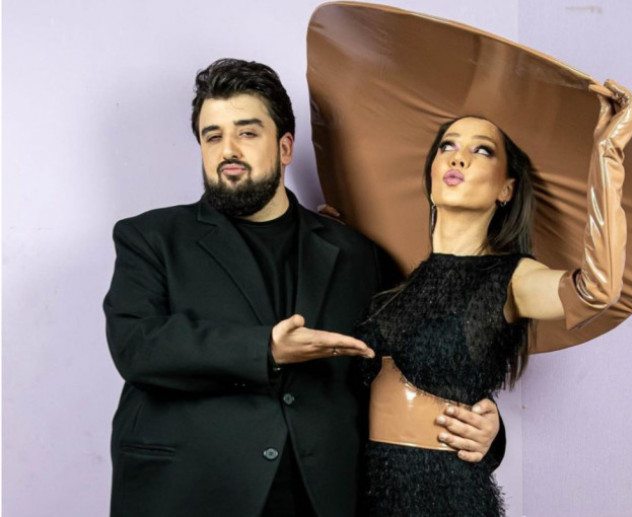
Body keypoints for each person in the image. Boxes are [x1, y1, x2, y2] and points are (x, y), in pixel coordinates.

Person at [104, 58, 503, 517]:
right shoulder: (150, 238)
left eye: (247, 133)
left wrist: (484, 428)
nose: (228, 149)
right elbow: (136, 346)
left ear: (285, 147)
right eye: (212, 136)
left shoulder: (356, 252)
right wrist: (266, 350)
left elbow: (414, 359)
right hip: (193, 491)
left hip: (324, 497)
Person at [357, 80, 632, 516]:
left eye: (482, 150)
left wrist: (608, 153)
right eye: (447, 146)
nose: (459, 157)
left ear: (505, 189)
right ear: (431, 174)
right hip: (371, 494)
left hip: (446, 498)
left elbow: (596, 289)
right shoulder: (397, 282)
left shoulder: (512, 277)